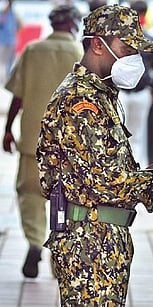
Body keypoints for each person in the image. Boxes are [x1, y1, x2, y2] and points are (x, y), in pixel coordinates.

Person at [36, 5, 153, 305]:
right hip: (89, 244)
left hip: (102, 239)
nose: (134, 58)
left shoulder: (101, 95)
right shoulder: (81, 101)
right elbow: (101, 181)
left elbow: (104, 167)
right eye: (127, 48)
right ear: (97, 44)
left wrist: (146, 176)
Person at [2, 5, 83, 278]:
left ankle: (35, 243)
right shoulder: (81, 55)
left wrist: (8, 129)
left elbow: (18, 96)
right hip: (69, 150)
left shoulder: (33, 51)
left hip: (32, 145)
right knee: (68, 203)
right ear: (73, 24)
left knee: (30, 196)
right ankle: (58, 255)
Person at [120, 0, 153, 166]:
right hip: (124, 92)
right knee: (127, 134)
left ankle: (135, 169)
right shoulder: (123, 39)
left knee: (136, 135)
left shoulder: (147, 39)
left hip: (140, 92)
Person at [0, 0, 20, 85]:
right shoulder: (3, 13)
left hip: (11, 41)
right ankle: (2, 81)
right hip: (3, 42)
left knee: (9, 63)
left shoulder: (14, 14)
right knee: (2, 63)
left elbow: (20, 25)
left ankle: (6, 80)